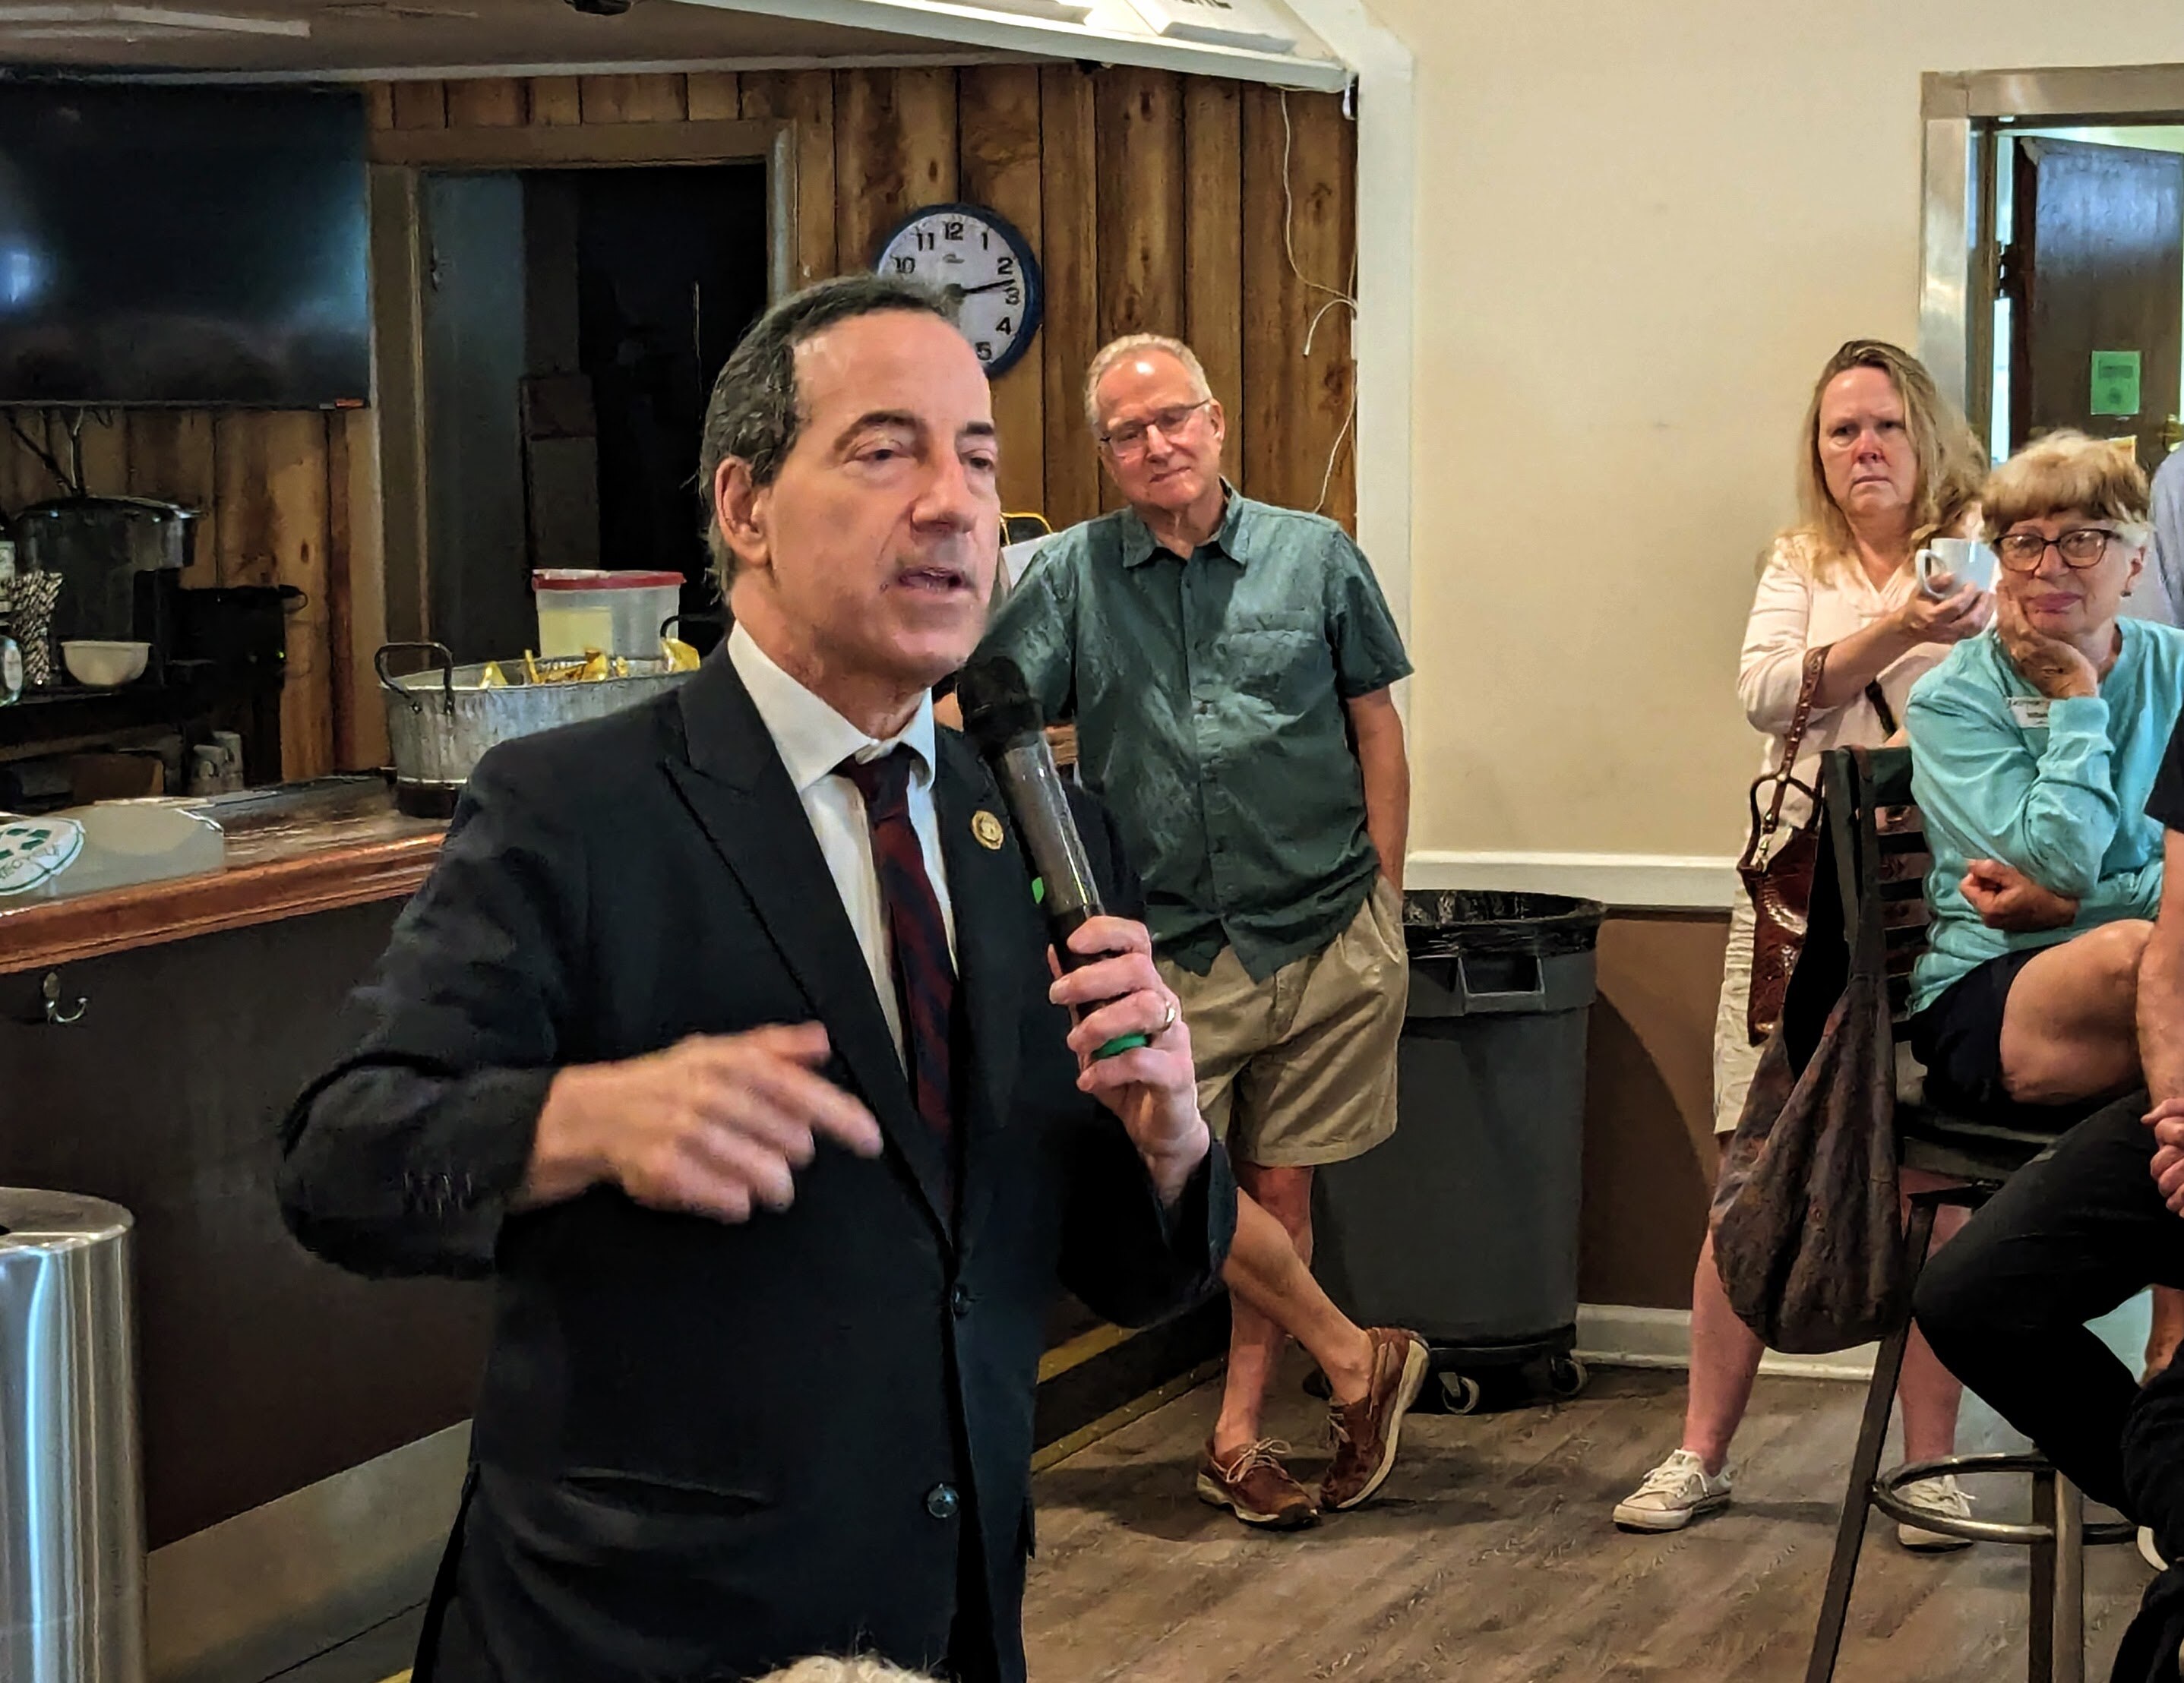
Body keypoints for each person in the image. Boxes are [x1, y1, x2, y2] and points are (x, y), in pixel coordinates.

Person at [276, 276, 1236, 1683]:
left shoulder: (1035, 826)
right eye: (884, 450)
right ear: (743, 508)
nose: (954, 504)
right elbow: (337, 1164)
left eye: (977, 459)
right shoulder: (575, 808)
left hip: (944, 1629)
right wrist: (575, 1123)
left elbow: (1112, 1273)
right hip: (637, 1634)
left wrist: (1167, 1142)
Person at [973, 333, 1427, 1530]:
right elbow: (986, 710)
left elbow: (1375, 725)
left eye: (1173, 419)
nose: (1156, 444)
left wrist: (1385, 892)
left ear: (1217, 423)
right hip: (1167, 946)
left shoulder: (1315, 556)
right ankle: (1351, 1359)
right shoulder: (1068, 578)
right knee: (1183, 1176)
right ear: (1105, 455)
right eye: (1127, 433)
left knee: (1282, 1182)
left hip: (1327, 927)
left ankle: (1237, 1437)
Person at [1614, 339, 1992, 1546]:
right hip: (1797, 892)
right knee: (1753, 1169)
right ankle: (1699, 1452)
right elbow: (1770, 692)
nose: (1865, 449)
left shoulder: (1987, 548)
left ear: (1926, 433)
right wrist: (1892, 625)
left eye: (1884, 425)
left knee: (1936, 1186)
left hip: (1945, 900)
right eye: (1841, 432)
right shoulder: (1802, 560)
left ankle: (1929, 1468)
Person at [1910, 437, 2184, 1530]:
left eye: (2085, 537)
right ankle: (2165, 1455)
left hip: (2135, 1014)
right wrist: (2072, 698)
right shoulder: (1952, 696)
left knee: (2158, 974)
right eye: (2022, 541)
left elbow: (2081, 881)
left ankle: (2171, 1424)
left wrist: (2082, 900)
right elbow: (2053, 866)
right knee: (2143, 958)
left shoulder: (2176, 667)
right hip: (1990, 997)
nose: (2048, 566)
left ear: (2137, 556)